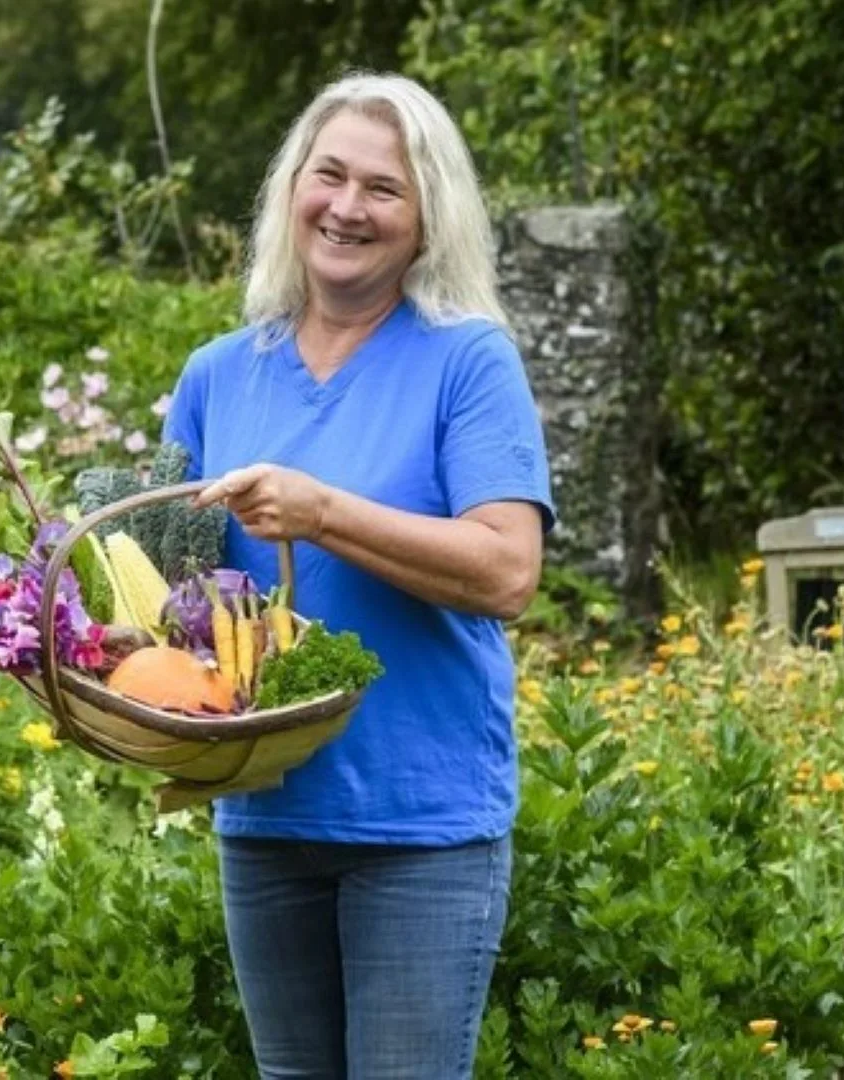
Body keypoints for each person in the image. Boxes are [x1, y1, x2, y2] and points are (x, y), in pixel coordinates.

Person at [159, 71, 556, 1079]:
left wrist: (323, 513)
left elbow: (508, 570)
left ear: (427, 220)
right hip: (266, 814)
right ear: (292, 188)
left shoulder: (468, 363)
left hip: (421, 823)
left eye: (383, 188)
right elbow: (177, 599)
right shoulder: (218, 375)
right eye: (327, 175)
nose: (347, 206)